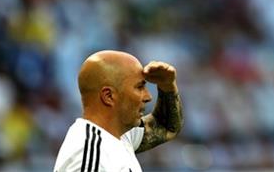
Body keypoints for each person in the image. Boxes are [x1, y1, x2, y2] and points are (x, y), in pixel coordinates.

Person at [53, 50, 183, 172]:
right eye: (139, 87)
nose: (148, 97)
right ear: (108, 96)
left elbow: (166, 126)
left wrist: (167, 86)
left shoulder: (120, 135)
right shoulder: (87, 157)